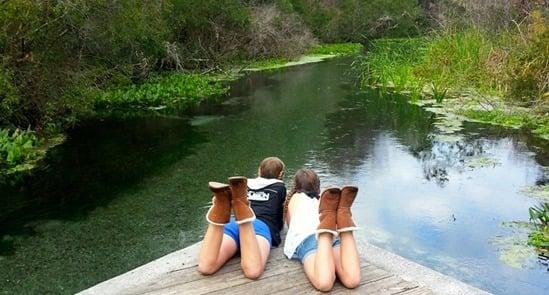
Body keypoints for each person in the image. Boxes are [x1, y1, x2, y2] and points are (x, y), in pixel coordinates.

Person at [197, 157, 286, 279]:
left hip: (233, 224)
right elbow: (280, 216)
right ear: (281, 174)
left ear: (259, 171)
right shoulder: (280, 187)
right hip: (260, 226)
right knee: (253, 271)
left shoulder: (242, 184)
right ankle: (243, 212)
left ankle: (219, 210)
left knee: (206, 267)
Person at [284, 169, 361, 291]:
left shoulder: (293, 199)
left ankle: (324, 230)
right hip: (334, 237)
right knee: (352, 280)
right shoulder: (326, 199)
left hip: (307, 239)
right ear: (318, 186)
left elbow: (290, 226)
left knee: (325, 283)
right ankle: (345, 221)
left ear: (296, 185)